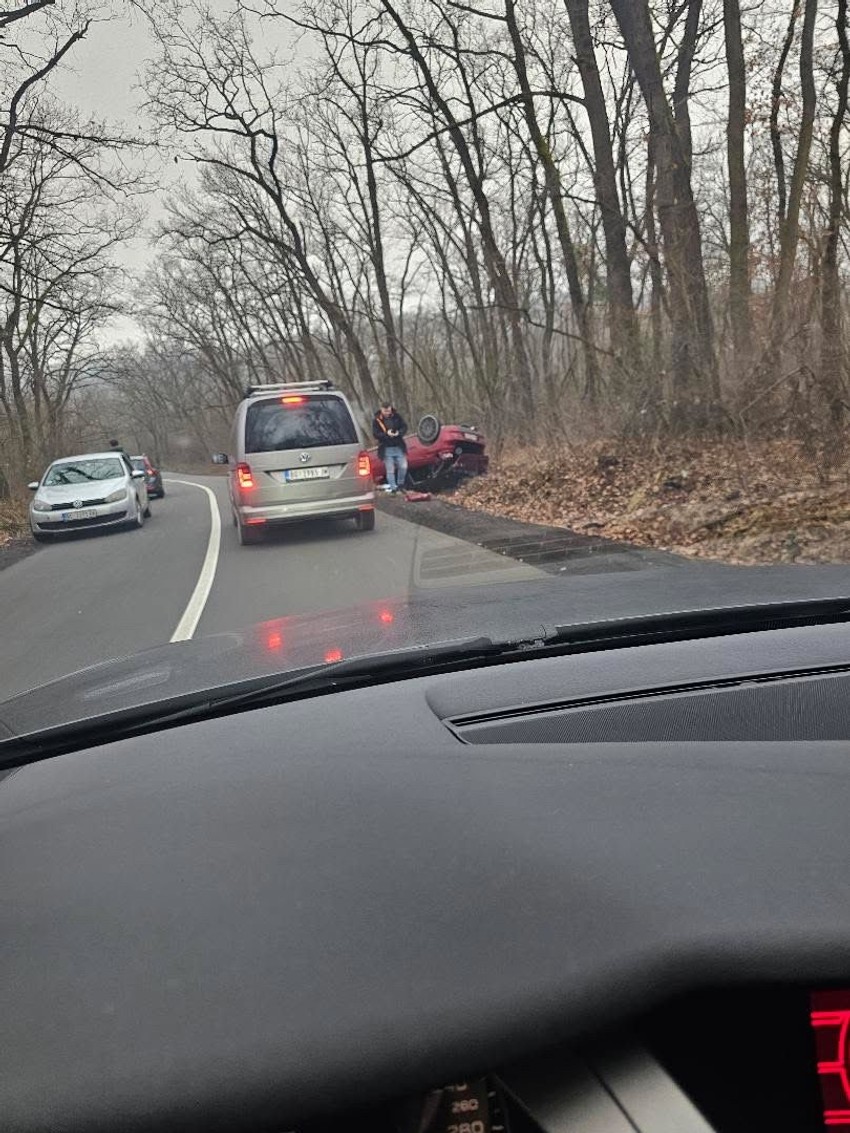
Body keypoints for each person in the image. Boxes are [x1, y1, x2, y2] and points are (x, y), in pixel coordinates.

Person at [372, 400, 408, 494]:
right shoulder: (376, 420)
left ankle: (401, 484)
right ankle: (393, 488)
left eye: (389, 411)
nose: (388, 413)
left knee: (403, 466)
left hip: (398, 446)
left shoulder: (397, 416)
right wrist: (386, 434)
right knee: (390, 469)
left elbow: (404, 427)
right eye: (385, 411)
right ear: (381, 410)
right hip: (386, 448)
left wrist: (398, 433)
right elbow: (376, 434)